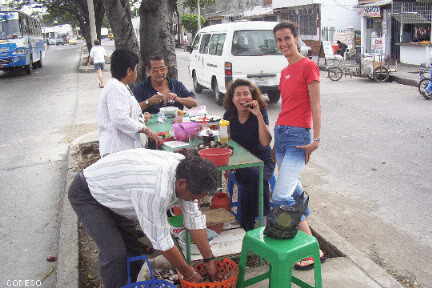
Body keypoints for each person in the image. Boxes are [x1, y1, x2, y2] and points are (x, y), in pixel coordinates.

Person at [68, 148, 220, 288]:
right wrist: (189, 273)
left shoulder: (187, 171)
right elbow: (162, 241)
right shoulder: (155, 190)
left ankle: (129, 284)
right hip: (88, 193)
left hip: (117, 193)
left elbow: (193, 218)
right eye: (196, 197)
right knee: (115, 255)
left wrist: (209, 259)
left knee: (134, 252)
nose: (198, 201)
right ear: (182, 184)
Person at [273, 22, 323, 270]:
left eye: (287, 39)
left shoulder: (308, 66)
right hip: (281, 134)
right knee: (293, 193)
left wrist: (316, 140)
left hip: (298, 138)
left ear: (296, 38)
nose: (283, 44)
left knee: (280, 195)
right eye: (279, 40)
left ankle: (296, 246)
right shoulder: (285, 71)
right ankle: (315, 247)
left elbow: (315, 106)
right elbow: (286, 106)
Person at [223, 79, 275, 231]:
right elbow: (225, 141)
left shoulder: (260, 112)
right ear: (232, 99)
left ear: (252, 96)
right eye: (237, 94)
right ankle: (260, 219)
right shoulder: (229, 115)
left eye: (246, 93)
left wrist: (258, 115)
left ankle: (248, 222)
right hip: (240, 160)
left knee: (253, 177)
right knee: (250, 177)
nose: (242, 98)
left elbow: (266, 142)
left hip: (262, 160)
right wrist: (227, 166)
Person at [97, 49, 161, 157]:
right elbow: (119, 118)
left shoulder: (121, 86)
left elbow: (125, 112)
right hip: (116, 149)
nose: (136, 72)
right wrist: (145, 129)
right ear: (129, 71)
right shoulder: (115, 88)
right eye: (135, 69)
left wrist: (139, 117)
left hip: (124, 148)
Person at [133, 55, 198, 114]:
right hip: (151, 125)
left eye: (162, 69)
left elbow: (194, 103)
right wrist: (149, 102)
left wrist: (177, 98)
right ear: (148, 71)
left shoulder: (176, 85)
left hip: (176, 123)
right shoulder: (140, 88)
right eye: (155, 70)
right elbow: (132, 110)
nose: (159, 73)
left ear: (166, 69)